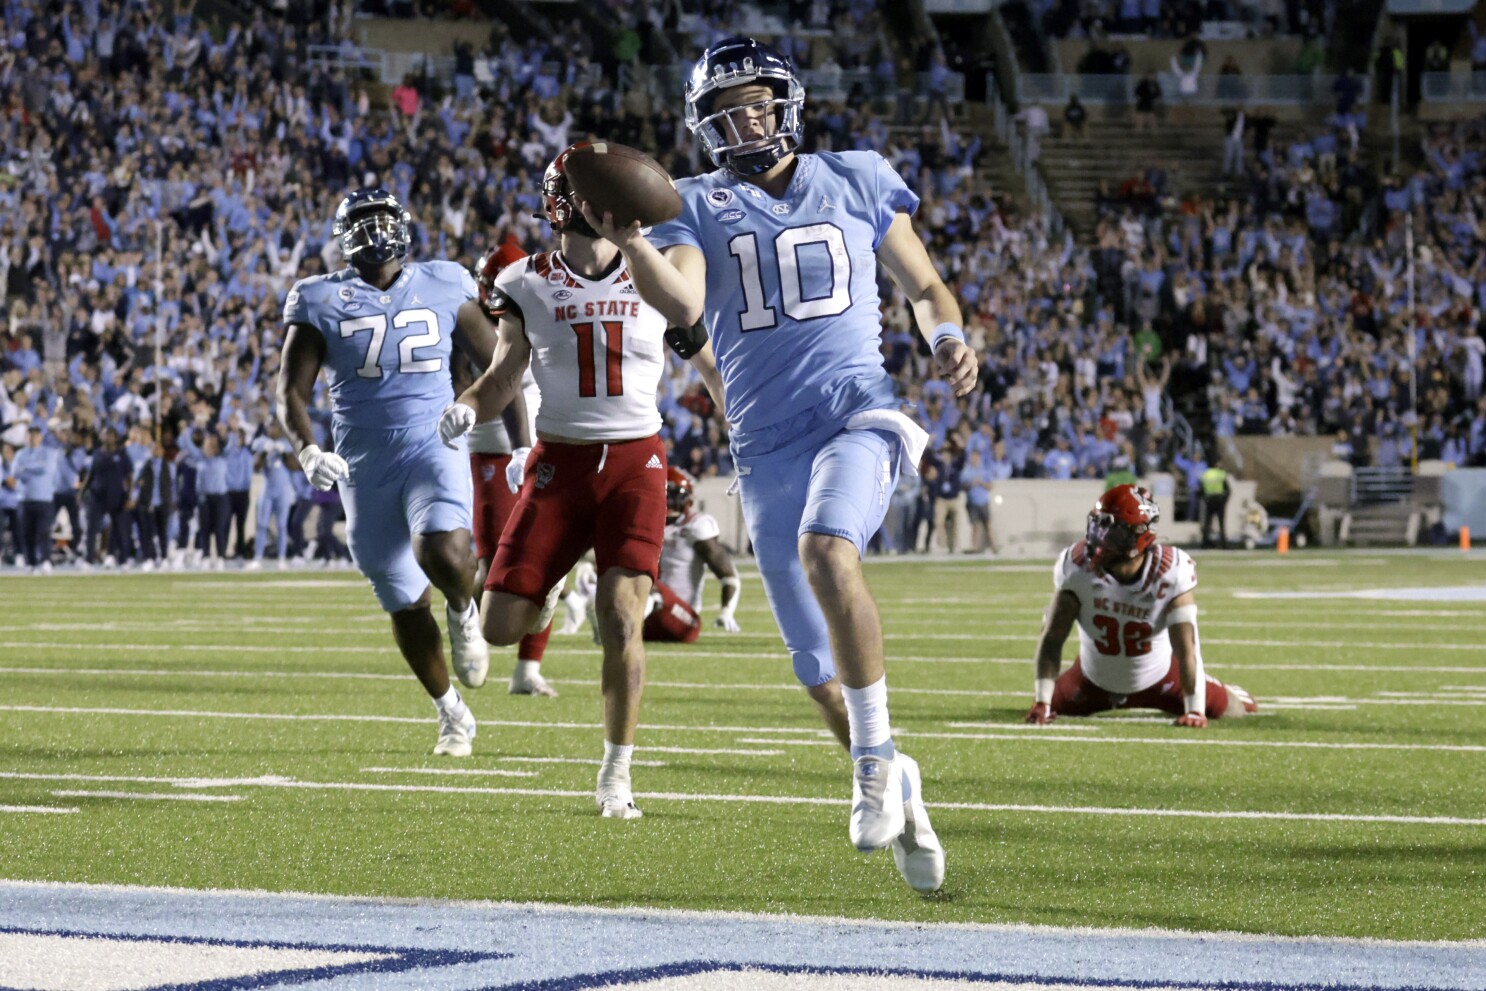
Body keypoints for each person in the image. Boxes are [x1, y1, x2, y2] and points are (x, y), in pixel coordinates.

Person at [605, 37, 976, 892]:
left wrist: (950, 337)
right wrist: (632, 242)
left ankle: (876, 761)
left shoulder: (856, 175)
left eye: (754, 99)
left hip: (859, 410)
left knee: (827, 548)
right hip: (766, 444)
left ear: (785, 101)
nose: (743, 117)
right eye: (724, 107)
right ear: (706, 125)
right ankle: (903, 790)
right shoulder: (690, 204)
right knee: (817, 674)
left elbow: (925, 286)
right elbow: (686, 302)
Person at [440, 142, 723, 820]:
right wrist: (465, 407)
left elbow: (694, 326)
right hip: (558, 462)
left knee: (623, 618)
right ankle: (555, 584)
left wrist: (731, 404)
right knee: (503, 626)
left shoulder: (664, 264)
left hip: (635, 461)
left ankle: (615, 774)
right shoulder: (526, 281)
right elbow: (504, 375)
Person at [277, 187, 494, 758]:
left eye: (382, 219)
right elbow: (290, 392)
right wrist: (306, 449)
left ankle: (465, 609)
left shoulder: (446, 281)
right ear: (343, 236)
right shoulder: (319, 298)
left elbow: (498, 363)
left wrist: (472, 405)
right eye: (362, 222)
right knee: (401, 599)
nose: (374, 233)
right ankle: (450, 713)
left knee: (442, 550)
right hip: (361, 461)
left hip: (432, 441)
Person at [1025, 485, 1256, 726]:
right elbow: (1052, 638)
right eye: (1098, 524)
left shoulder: (1170, 571)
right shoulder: (1076, 567)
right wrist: (1042, 701)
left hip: (1162, 679)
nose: (1099, 536)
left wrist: (1195, 709)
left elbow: (1187, 647)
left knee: (1237, 708)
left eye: (1112, 529)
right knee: (1044, 703)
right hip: (1090, 681)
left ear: (1139, 533)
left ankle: (1227, 690)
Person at [464, 240, 555, 698]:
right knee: (490, 564)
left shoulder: (546, 308)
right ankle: (471, 630)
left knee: (550, 565)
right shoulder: (471, 326)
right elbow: (480, 388)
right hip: (490, 451)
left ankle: (527, 669)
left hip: (542, 449)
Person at [641, 466, 742, 642]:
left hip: (684, 620)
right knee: (600, 577)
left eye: (672, 495)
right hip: (649, 620)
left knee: (647, 585)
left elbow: (728, 576)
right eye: (664, 495)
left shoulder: (696, 526)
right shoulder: (645, 525)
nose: (667, 502)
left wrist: (727, 611)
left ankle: (626, 626)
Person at [246, 421, 297, 570]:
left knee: (282, 525)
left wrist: (285, 452)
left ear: (280, 428)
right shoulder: (261, 442)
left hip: (283, 490)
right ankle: (258, 558)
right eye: (270, 426)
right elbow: (256, 467)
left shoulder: (287, 443)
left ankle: (282, 558)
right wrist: (264, 452)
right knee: (261, 524)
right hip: (267, 489)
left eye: (274, 426)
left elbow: (295, 466)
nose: (272, 429)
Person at [11, 425, 58, 572]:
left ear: (40, 437)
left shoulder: (48, 452)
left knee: (44, 530)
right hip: (25, 498)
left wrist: (26, 468)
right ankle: (31, 563)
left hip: (44, 498)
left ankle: (46, 560)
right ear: (26, 437)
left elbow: (45, 468)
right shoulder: (20, 454)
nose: (33, 438)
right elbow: (14, 472)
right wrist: (31, 469)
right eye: (30, 435)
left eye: (36, 435)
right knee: (27, 532)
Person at [1199, 461, 1230, 548]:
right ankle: (1224, 544)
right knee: (1221, 523)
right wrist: (1224, 500)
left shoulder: (1205, 474)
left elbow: (1201, 489)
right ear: (1216, 464)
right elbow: (1227, 489)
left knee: (1207, 523)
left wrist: (1205, 499)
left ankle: (1204, 543)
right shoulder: (1221, 474)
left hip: (1209, 499)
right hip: (1219, 499)